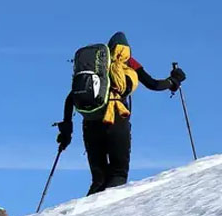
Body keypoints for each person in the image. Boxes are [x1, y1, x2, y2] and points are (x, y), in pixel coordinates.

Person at [56, 32, 186, 195]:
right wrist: (173, 81)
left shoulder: (99, 67)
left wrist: (67, 130)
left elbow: (70, 98)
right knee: (118, 174)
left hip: (90, 123)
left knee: (99, 179)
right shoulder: (129, 62)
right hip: (117, 121)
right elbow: (153, 84)